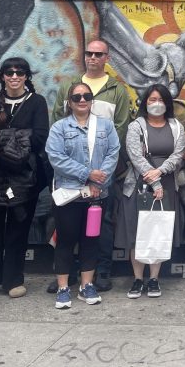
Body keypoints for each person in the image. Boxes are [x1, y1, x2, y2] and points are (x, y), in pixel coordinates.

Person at [51, 38, 134, 292]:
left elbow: (119, 131)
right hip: (69, 175)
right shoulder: (69, 86)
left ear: (107, 57)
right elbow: (57, 120)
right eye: (89, 53)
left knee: (101, 225)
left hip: (103, 175)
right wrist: (81, 171)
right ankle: (68, 277)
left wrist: (98, 174)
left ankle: (102, 273)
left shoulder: (117, 90)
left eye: (99, 54)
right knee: (66, 228)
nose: (93, 58)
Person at [0, 58, 49, 300]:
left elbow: (40, 137)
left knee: (19, 228)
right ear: (2, 76)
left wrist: (5, 141)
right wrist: (14, 141)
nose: (14, 76)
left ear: (27, 76)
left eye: (20, 72)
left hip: (25, 177)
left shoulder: (37, 102)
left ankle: (13, 279)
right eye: (9, 72)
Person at [45, 81, 120, 310]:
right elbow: (55, 157)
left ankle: (87, 285)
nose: (82, 100)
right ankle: (63, 287)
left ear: (92, 99)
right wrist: (88, 175)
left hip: (97, 195)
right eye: (77, 97)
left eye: (86, 96)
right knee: (66, 240)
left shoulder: (105, 126)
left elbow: (113, 153)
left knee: (91, 240)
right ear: (69, 102)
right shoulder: (59, 127)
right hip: (69, 194)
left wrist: (100, 181)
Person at [118, 84, 185, 299]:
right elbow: (135, 156)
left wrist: (160, 172)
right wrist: (154, 181)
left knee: (158, 232)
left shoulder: (176, 126)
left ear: (167, 103)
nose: (156, 104)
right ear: (145, 103)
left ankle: (154, 279)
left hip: (167, 185)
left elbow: (178, 155)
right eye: (152, 100)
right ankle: (138, 279)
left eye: (160, 100)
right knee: (137, 233)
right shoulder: (136, 126)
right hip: (140, 185)